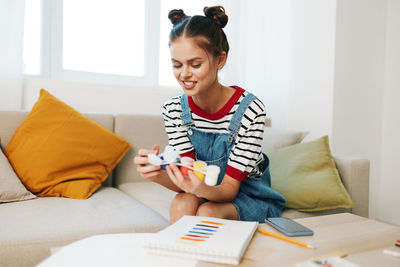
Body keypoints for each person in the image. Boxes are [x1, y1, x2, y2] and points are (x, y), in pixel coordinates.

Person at [134, 6, 285, 224]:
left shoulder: (250, 111)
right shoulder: (174, 110)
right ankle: (182, 257)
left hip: (246, 194)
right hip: (203, 188)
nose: (184, 74)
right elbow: (188, 179)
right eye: (177, 65)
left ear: (220, 60)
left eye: (195, 64)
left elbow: (230, 189)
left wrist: (201, 189)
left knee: (208, 213)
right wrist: (157, 174)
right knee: (182, 203)